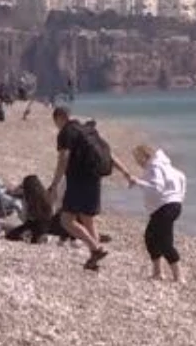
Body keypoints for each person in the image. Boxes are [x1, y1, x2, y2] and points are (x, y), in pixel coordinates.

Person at [47, 106, 132, 270]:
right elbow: (109, 154)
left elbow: (63, 158)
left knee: (66, 220)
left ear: (59, 118)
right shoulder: (88, 130)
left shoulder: (66, 132)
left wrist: (55, 184)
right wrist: (126, 172)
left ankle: (96, 248)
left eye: (55, 122)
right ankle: (94, 260)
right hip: (95, 178)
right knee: (87, 218)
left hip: (79, 179)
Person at [126, 144, 188, 282]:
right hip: (172, 206)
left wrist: (138, 182)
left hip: (164, 207)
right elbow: (182, 177)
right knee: (152, 237)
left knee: (163, 241)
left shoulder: (154, 166)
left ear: (145, 156)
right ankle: (157, 272)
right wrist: (179, 198)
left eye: (138, 159)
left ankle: (179, 276)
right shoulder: (165, 165)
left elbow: (157, 187)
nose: (137, 162)